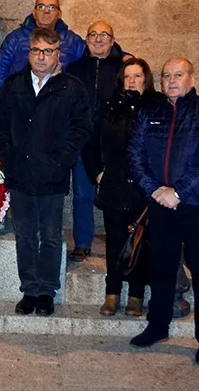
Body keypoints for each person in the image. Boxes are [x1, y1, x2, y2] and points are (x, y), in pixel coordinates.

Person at [127, 58, 199, 365]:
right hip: (161, 205)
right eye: (166, 76)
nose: (171, 80)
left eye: (178, 75)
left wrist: (179, 192)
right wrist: (155, 191)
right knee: (161, 269)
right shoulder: (150, 112)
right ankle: (157, 326)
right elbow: (135, 154)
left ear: (191, 79)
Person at [0, 27, 92, 317]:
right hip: (20, 174)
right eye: (36, 50)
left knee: (50, 235)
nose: (41, 57)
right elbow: (2, 126)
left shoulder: (71, 87)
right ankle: (29, 290)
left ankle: (47, 291)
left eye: (48, 51)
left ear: (57, 54)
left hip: (52, 175)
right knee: (24, 235)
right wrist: (9, 159)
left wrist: (61, 160)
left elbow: (82, 128)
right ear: (29, 53)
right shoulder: (14, 84)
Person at [84, 57, 158, 317]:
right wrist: (98, 173)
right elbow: (90, 143)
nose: (132, 81)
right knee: (115, 241)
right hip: (114, 185)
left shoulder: (156, 107)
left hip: (144, 188)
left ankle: (136, 296)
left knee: (141, 241)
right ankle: (112, 293)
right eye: (127, 77)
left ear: (146, 79)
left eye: (137, 76)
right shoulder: (108, 108)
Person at [65, 21, 131, 262]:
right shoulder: (74, 69)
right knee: (82, 195)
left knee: (121, 194)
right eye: (93, 34)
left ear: (112, 41)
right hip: (84, 140)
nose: (98, 39)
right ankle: (82, 242)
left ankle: (124, 244)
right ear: (86, 40)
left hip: (114, 141)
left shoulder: (123, 68)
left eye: (104, 35)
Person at [0, 0, 85, 92]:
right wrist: (10, 96)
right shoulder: (15, 39)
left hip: (62, 98)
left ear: (59, 14)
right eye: (41, 7)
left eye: (52, 7)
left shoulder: (73, 41)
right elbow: (0, 70)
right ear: (34, 12)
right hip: (23, 97)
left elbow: (86, 70)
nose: (46, 11)